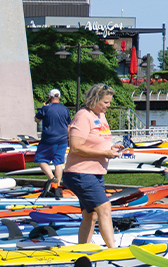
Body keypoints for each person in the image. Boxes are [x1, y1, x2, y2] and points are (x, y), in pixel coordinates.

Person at [64, 84, 122, 249]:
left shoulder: (100, 116)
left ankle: (82, 248)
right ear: (94, 99)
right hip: (80, 172)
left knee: (91, 214)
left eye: (109, 102)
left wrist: (111, 149)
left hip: (95, 173)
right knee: (105, 208)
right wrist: (104, 154)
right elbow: (76, 146)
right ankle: (113, 249)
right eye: (105, 102)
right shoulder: (83, 116)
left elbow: (97, 141)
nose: (108, 106)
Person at [33, 89, 72, 193]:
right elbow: (69, 124)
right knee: (58, 162)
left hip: (49, 139)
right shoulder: (65, 109)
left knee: (40, 159)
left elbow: (36, 119)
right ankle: (57, 185)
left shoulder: (46, 108)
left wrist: (43, 108)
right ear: (59, 97)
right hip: (63, 139)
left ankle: (51, 177)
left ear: (49, 97)